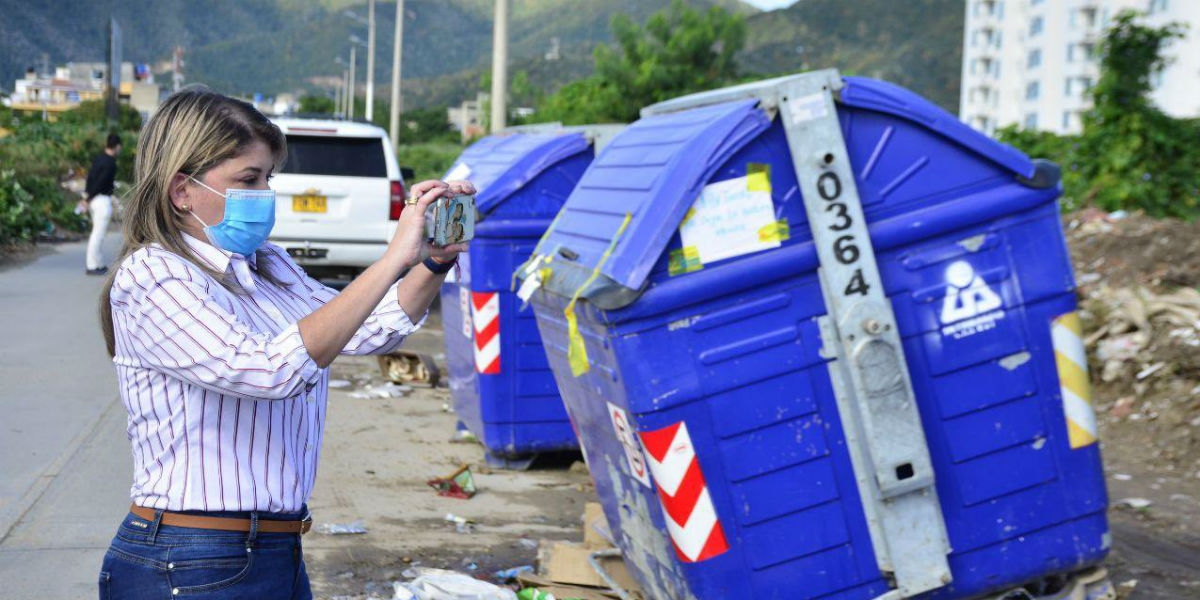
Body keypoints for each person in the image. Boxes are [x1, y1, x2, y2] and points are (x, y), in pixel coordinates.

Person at [96, 86, 471, 599]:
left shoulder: (269, 265)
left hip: (273, 552)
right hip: (191, 561)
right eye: (248, 180)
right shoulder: (153, 278)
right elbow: (268, 371)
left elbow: (367, 327)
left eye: (267, 178)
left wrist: (432, 260)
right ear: (182, 190)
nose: (264, 194)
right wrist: (390, 260)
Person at [84, 132, 123, 275]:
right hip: (101, 199)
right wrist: (89, 198)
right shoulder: (111, 163)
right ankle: (93, 265)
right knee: (98, 234)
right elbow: (101, 182)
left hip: (93, 199)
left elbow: (91, 178)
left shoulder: (98, 159)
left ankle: (98, 263)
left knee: (97, 233)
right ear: (117, 146)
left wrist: (87, 196)